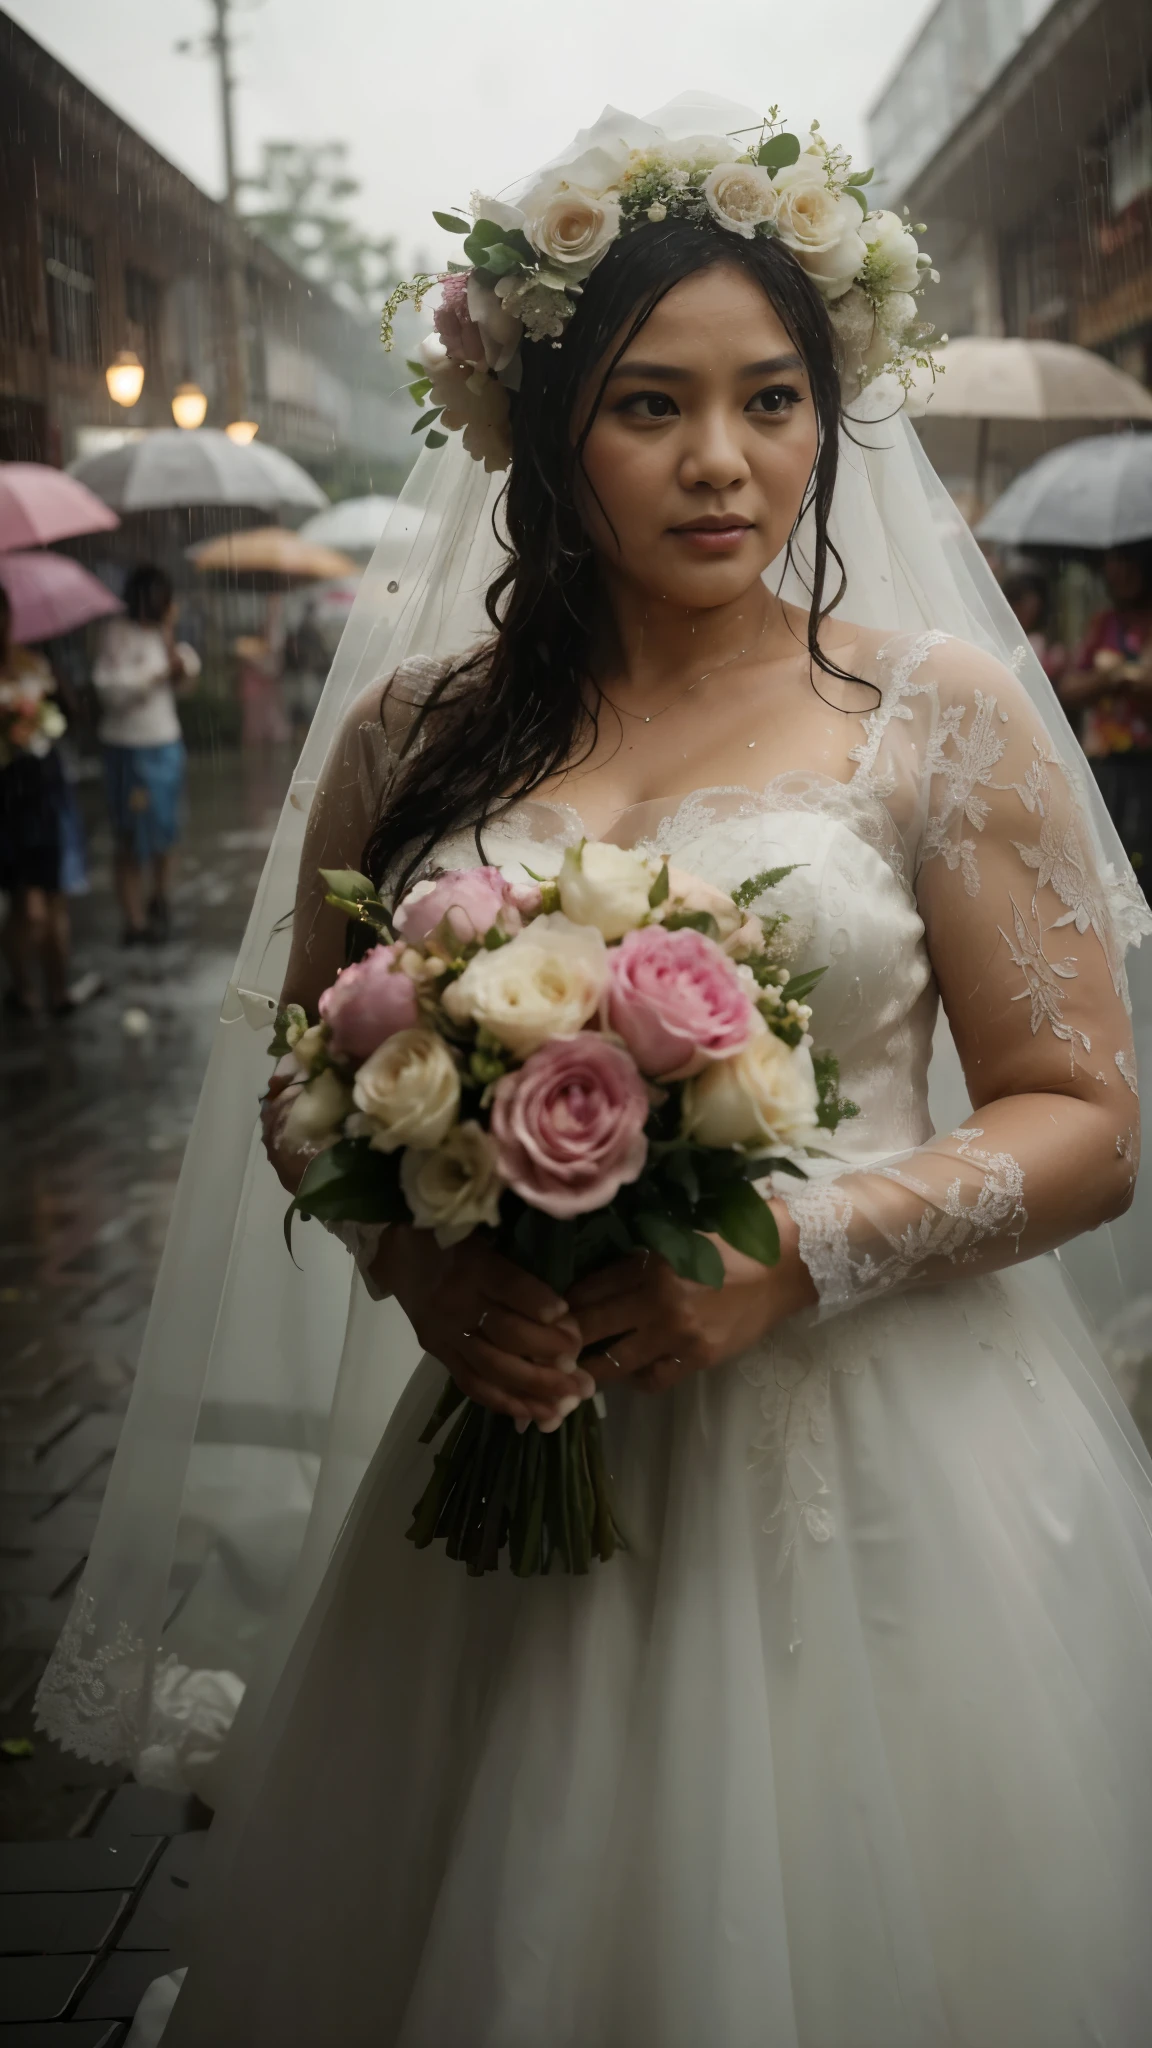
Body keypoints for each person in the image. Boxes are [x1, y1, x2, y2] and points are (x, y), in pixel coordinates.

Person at [37, 98, 1152, 2046]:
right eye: (651, 404)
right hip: (520, 1457)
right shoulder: (412, 736)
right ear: (548, 429)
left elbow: (1085, 1118)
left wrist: (800, 1243)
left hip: (886, 1481)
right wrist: (426, 1268)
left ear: (828, 411)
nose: (726, 461)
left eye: (775, 398)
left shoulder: (933, 714)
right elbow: (315, 1078)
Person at [0, 585, 100, 1016]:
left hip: (44, 789)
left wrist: (52, 692)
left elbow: (70, 718)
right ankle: (24, 987)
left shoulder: (33, 664)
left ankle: (57, 990)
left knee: (54, 896)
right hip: (7, 795)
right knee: (27, 903)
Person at [93, 565, 200, 945]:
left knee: (165, 829)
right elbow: (108, 690)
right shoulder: (116, 634)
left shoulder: (164, 634)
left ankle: (160, 896)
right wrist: (154, 674)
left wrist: (173, 655)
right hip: (128, 748)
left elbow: (186, 682)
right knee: (130, 835)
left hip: (165, 743)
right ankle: (134, 919)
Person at [1058, 543, 1152, 894]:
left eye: (1129, 560)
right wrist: (1114, 677)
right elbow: (1069, 689)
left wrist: (1125, 676)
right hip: (1107, 768)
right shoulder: (1103, 624)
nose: (1120, 571)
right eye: (1114, 561)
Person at [1002, 566, 1066, 684]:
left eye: (1024, 603)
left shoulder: (1050, 649)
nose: (1017, 610)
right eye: (1014, 602)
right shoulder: (1003, 642)